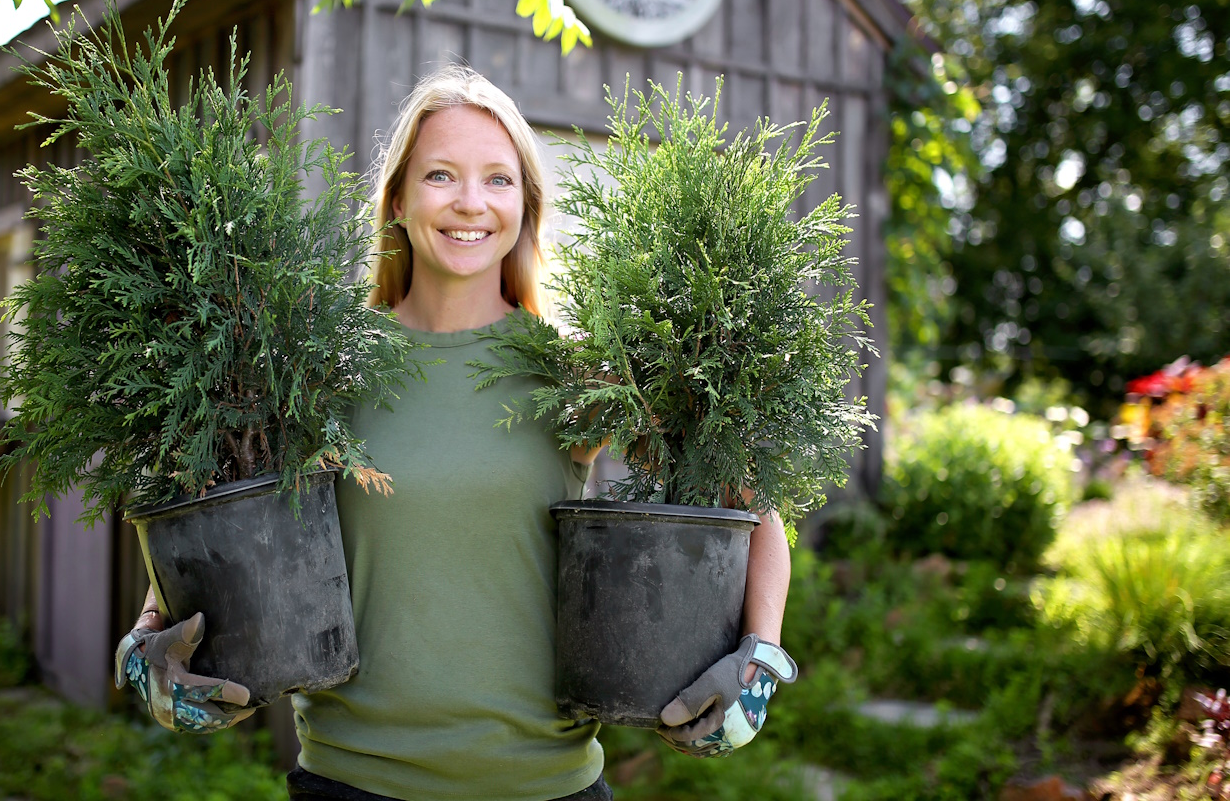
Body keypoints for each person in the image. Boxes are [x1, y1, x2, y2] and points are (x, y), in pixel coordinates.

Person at [114, 65, 796, 800]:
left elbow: (747, 502)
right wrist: (149, 638)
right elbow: (211, 519)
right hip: (353, 781)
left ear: (524, 205)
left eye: (498, 179)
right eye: (441, 175)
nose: (471, 202)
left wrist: (760, 657)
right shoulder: (324, 372)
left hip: (548, 786)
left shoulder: (575, 373)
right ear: (399, 199)